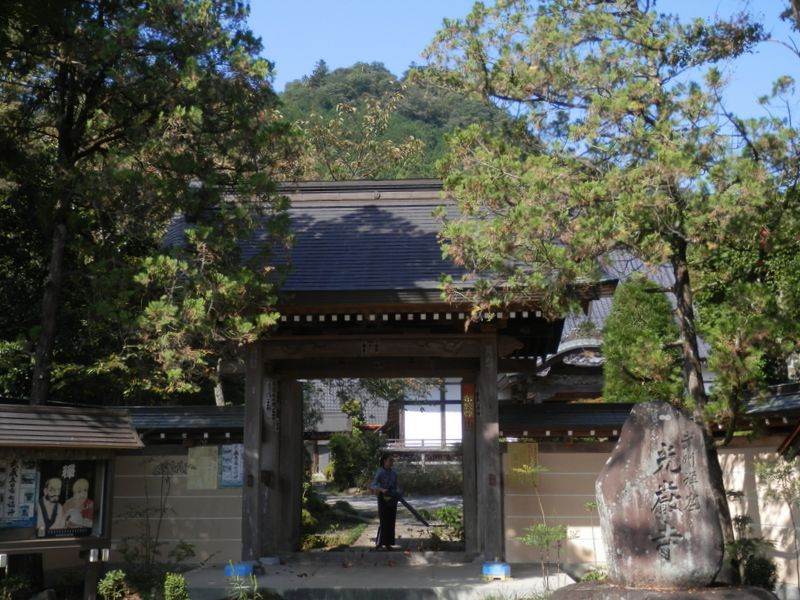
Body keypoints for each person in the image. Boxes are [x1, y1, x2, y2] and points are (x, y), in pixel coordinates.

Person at [370, 452, 399, 550]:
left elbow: (396, 486)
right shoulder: (380, 472)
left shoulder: (394, 473)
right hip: (382, 499)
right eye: (390, 460)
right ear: (384, 461)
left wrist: (397, 492)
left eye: (392, 460)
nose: (392, 462)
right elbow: (373, 484)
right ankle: (379, 543)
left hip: (392, 499)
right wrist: (381, 489)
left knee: (391, 521)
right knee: (384, 521)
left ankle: (388, 544)